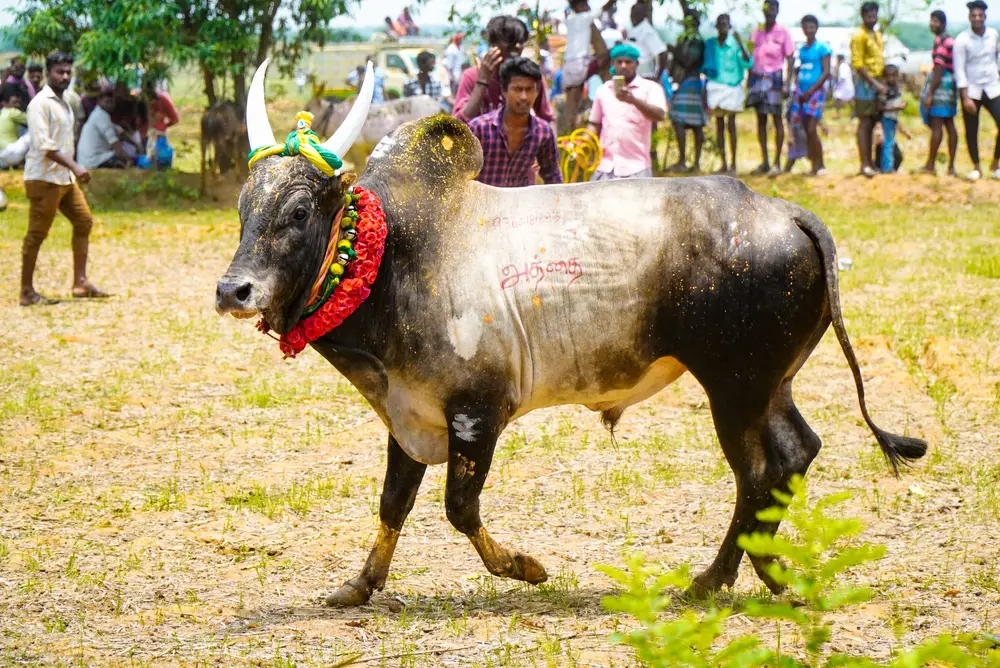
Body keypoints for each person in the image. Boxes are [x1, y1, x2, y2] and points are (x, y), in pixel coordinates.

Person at [21, 52, 106, 306]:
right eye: (60, 71)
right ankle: (26, 291)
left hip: (64, 179)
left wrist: (72, 169)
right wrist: (76, 166)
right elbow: (45, 146)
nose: (65, 76)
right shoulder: (40, 104)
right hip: (43, 178)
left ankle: (80, 283)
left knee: (84, 222)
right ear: (48, 73)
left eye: (68, 71)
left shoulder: (66, 101)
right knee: (36, 234)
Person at [467, 57, 561, 187]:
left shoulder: (543, 132)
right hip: (482, 205)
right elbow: (460, 176)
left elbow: (552, 176)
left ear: (537, 91)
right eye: (517, 89)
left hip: (520, 205)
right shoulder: (479, 129)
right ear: (504, 90)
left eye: (529, 90)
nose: (524, 97)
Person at [586, 43, 666, 180]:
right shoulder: (603, 90)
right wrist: (583, 141)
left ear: (636, 64)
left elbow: (659, 115)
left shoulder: (650, 88)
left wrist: (633, 101)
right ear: (613, 63)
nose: (623, 66)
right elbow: (594, 123)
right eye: (619, 62)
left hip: (637, 168)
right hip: (605, 167)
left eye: (628, 62)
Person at [454, 15, 554, 124]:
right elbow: (459, 124)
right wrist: (482, 81)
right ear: (492, 44)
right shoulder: (472, 76)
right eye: (511, 40)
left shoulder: (530, 77)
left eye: (521, 41)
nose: (517, 46)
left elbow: (547, 119)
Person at [746, 0, 794, 175]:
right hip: (757, 78)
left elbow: (790, 57)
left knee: (776, 119)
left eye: (773, 8)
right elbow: (750, 56)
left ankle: (777, 163)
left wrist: (787, 83)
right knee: (761, 120)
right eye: (767, 8)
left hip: (775, 78)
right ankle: (765, 161)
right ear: (763, 10)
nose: (770, 12)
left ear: (778, 10)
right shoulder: (756, 32)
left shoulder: (783, 32)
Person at [953, 0, 1000, 180]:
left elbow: (996, 58)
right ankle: (976, 167)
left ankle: (995, 163)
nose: (977, 18)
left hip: (992, 86)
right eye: (974, 16)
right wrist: (965, 98)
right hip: (971, 90)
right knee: (972, 129)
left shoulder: (993, 35)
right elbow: (959, 69)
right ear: (969, 17)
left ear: (985, 17)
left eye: (980, 15)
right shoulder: (962, 40)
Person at [702, 13, 751, 174]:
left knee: (731, 126)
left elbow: (747, 63)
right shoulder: (711, 44)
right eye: (720, 22)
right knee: (719, 126)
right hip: (715, 88)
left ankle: (733, 164)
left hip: (732, 89)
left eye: (726, 22)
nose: (723, 25)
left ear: (730, 26)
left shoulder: (736, 44)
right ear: (716, 26)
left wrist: (740, 44)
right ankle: (723, 163)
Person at [784, 15, 831, 175]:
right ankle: (813, 165)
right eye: (806, 27)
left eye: (812, 27)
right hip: (801, 94)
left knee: (812, 129)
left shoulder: (823, 49)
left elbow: (826, 72)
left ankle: (821, 163)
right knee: (805, 129)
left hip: (815, 94)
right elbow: (798, 70)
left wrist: (811, 91)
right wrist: (798, 90)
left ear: (816, 28)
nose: (809, 30)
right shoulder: (802, 51)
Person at [561, 0, 614, 133]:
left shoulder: (569, 21)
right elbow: (604, 7)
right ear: (581, 6)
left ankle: (569, 128)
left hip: (567, 67)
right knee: (606, 56)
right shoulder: (585, 18)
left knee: (573, 101)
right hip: (580, 65)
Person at [666, 9, 706, 173]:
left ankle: (694, 163)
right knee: (679, 120)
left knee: (695, 124)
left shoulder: (696, 41)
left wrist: (674, 51)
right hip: (683, 82)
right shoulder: (685, 40)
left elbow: (689, 61)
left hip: (691, 81)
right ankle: (683, 161)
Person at [921, 10, 959, 176]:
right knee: (949, 124)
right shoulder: (950, 39)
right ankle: (950, 167)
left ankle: (930, 165)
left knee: (937, 124)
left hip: (941, 85)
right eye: (931, 21)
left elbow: (939, 68)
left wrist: (930, 93)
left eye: (935, 21)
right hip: (950, 85)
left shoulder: (942, 41)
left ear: (942, 24)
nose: (932, 24)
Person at [851, 2, 886, 178]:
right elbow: (858, 65)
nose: (872, 19)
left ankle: (871, 162)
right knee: (864, 123)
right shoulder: (859, 36)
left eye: (874, 16)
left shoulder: (877, 35)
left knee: (873, 123)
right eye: (869, 16)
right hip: (866, 84)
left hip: (878, 82)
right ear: (863, 16)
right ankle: (864, 164)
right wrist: (875, 84)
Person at [77, 87, 133, 169]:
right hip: (92, 161)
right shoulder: (101, 116)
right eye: (107, 102)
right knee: (121, 159)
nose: (109, 105)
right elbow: (116, 146)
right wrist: (129, 160)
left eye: (112, 102)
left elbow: (120, 132)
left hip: (85, 160)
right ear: (99, 102)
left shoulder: (98, 114)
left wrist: (135, 144)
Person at [142, 79, 179, 166]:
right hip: (143, 137)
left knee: (161, 161)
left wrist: (162, 127)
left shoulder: (163, 99)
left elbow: (175, 118)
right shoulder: (140, 100)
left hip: (158, 137)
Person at [626, 2, 667, 79]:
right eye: (632, 13)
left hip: (645, 76)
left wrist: (657, 76)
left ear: (644, 15)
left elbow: (662, 53)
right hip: (633, 75)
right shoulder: (634, 29)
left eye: (637, 13)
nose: (633, 16)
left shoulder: (647, 31)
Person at [0, 85, 30, 167]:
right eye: (15, 101)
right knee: (34, 132)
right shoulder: (13, 112)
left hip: (2, 157)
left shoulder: (2, 112)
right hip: (10, 152)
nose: (19, 101)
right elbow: (34, 120)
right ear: (5, 102)